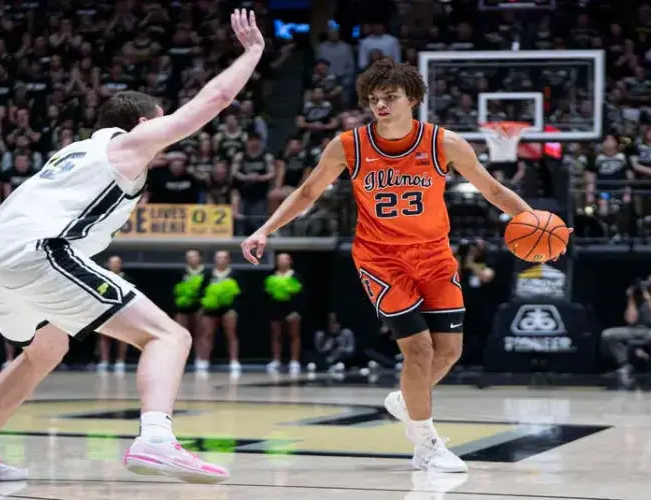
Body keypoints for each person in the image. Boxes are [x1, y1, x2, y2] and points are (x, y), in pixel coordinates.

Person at [0, 9, 265, 484]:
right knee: (168, 336)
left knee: (45, 349)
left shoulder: (72, 154)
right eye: (158, 123)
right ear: (140, 122)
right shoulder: (127, 146)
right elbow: (215, 98)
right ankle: (155, 439)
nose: (164, 133)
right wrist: (253, 51)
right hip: (37, 251)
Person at [241, 58, 572, 473]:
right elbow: (307, 192)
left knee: (449, 351)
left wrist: (535, 223)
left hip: (434, 256)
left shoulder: (444, 143)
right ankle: (426, 444)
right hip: (381, 260)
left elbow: (492, 188)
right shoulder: (348, 145)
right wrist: (264, 230)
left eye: (390, 97)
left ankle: (406, 400)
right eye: (374, 99)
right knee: (419, 348)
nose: (380, 105)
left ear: (412, 98)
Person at [600, 274, 651, 386]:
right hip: (636, 330)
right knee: (608, 335)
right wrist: (631, 298)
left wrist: (649, 299)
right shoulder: (638, 300)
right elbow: (630, 320)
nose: (649, 285)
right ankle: (625, 363)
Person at [195, 250, 242, 377]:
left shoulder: (234, 274)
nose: (220, 260)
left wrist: (234, 308)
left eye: (223, 258)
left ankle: (234, 361)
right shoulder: (208, 274)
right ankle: (204, 360)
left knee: (231, 334)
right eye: (218, 258)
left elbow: (240, 293)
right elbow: (201, 291)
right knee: (207, 334)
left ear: (228, 260)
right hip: (210, 309)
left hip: (228, 308)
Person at [264, 253, 304, 375]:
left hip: (292, 311)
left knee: (294, 335)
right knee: (276, 336)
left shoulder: (296, 276)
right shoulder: (272, 276)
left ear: (290, 261)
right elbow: (267, 294)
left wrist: (296, 311)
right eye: (279, 260)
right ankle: (276, 360)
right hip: (276, 310)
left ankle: (294, 361)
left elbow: (301, 295)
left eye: (284, 259)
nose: (281, 262)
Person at [96, 255, 131, 373]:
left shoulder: (127, 278)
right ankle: (104, 361)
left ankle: (120, 361)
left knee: (123, 337)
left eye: (116, 263)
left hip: (122, 311)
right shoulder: (103, 277)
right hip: (106, 310)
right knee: (104, 336)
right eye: (112, 263)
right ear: (108, 264)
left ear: (120, 265)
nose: (114, 265)